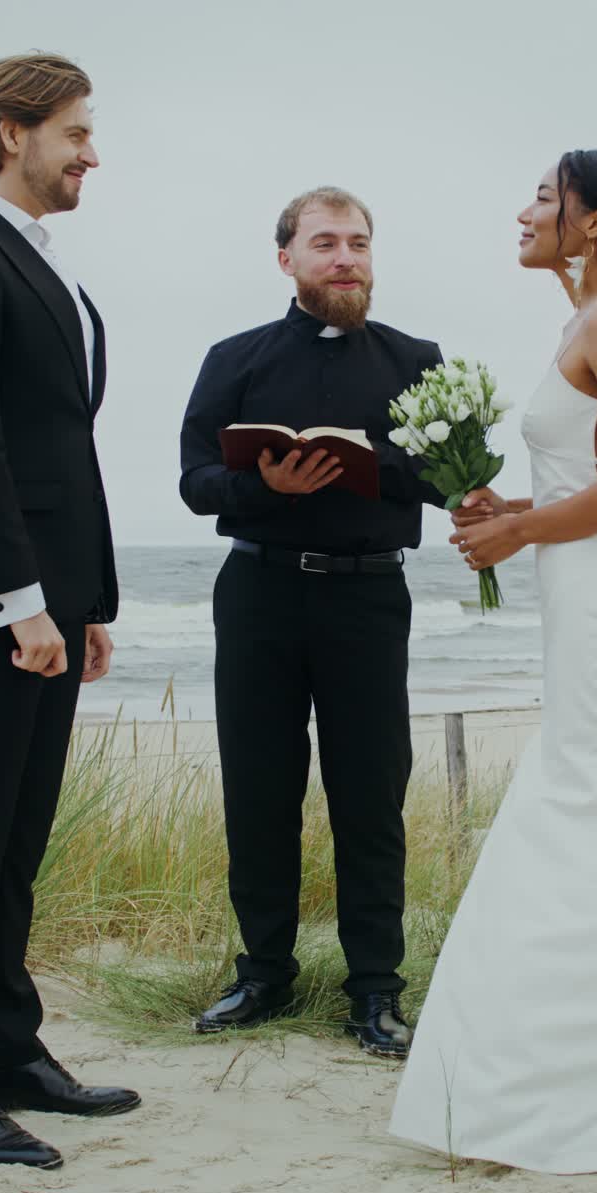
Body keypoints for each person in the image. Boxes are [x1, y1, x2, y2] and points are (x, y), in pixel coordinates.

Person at [391, 149, 597, 1173]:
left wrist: (523, 534)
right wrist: (519, 511)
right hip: (593, 590)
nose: (525, 211)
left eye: (546, 198)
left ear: (595, 224)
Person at [180, 186, 446, 1055]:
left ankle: (375, 989)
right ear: (286, 257)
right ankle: (263, 973)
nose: (345, 258)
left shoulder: (417, 358)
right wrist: (266, 486)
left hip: (368, 596)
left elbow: (448, 476)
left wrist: (374, 465)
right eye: (325, 242)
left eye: (359, 243)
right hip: (258, 594)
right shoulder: (235, 357)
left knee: (371, 793)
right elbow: (194, 483)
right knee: (260, 788)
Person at [0, 54, 139, 1172]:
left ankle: (14, 1049)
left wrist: (89, 601)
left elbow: (62, 443)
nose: (90, 153)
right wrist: (17, 602)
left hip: (51, 602)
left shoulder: (40, 262)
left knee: (19, 840)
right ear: (12, 133)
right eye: (74, 132)